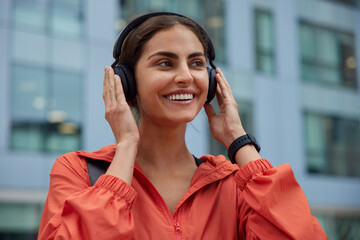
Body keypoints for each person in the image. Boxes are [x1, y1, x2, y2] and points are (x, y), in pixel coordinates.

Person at [38, 12, 327, 239]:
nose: (186, 76)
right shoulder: (77, 171)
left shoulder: (234, 184)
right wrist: (126, 146)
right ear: (126, 82)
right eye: (165, 63)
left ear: (212, 80)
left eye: (197, 63)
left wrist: (239, 141)